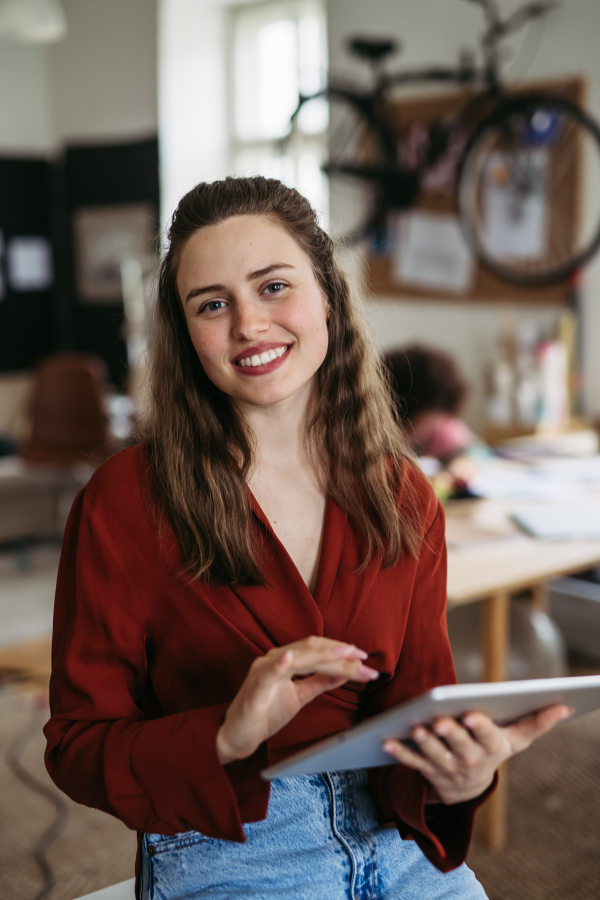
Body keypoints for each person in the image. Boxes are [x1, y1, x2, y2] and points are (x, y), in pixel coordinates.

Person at [44, 177, 570, 900]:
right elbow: (76, 747)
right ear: (186, 332)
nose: (248, 326)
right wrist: (227, 734)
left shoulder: (403, 495)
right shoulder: (125, 501)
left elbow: (421, 706)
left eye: (273, 286)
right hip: (230, 847)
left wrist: (462, 772)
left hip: (393, 835)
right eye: (213, 304)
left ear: (327, 293)